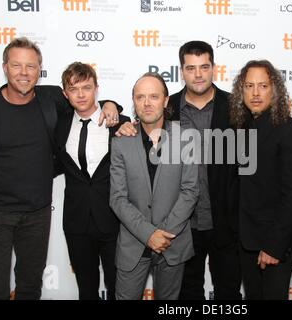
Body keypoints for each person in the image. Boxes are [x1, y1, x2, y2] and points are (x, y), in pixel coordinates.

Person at [0, 37, 120, 300]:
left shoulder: (51, 98)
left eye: (31, 66)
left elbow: (86, 100)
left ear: (39, 70)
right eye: (17, 65)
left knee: (30, 288)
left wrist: (112, 106)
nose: (24, 73)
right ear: (4, 67)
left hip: (37, 214)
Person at [117, 41, 242, 300]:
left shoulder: (235, 108)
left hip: (223, 223)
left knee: (228, 295)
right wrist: (116, 116)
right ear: (181, 71)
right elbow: (140, 127)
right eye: (190, 68)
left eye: (204, 67)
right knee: (186, 297)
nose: (198, 74)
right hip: (181, 228)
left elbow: (248, 166)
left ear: (213, 69)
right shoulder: (166, 106)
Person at [110, 72, 199, 300]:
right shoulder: (121, 142)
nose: (147, 103)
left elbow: (190, 191)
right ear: (134, 102)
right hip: (133, 243)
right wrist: (149, 234)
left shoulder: (187, 138)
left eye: (153, 96)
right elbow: (118, 199)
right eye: (140, 97)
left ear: (166, 100)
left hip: (173, 241)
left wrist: (163, 235)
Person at [229, 60, 292, 299]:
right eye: (249, 86)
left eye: (263, 85)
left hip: (273, 244)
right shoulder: (241, 129)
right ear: (240, 91)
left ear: (274, 90)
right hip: (246, 241)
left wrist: (273, 246)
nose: (255, 93)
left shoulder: (290, 130)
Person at [55, 62, 130, 300]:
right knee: (86, 290)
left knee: (119, 287)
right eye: (73, 89)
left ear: (97, 88)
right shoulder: (60, 123)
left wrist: (112, 105)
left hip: (113, 219)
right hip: (76, 222)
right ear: (65, 93)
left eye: (86, 87)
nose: (80, 94)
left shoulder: (120, 122)